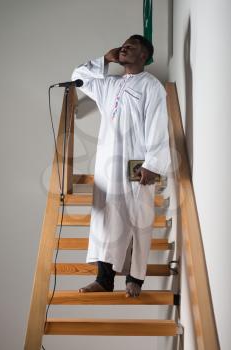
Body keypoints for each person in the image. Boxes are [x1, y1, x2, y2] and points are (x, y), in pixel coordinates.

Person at [71, 34, 171, 298]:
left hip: (137, 163)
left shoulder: (152, 87)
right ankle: (104, 278)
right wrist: (105, 59)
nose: (125, 47)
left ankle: (135, 278)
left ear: (143, 56)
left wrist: (153, 164)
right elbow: (78, 76)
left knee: (138, 218)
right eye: (124, 45)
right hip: (107, 162)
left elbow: (159, 126)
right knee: (105, 220)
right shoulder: (110, 84)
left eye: (132, 46)